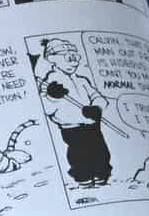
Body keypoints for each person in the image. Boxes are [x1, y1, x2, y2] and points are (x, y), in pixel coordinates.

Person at [34, 38, 112, 187]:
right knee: (79, 153)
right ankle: (83, 177)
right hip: (72, 127)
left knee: (101, 150)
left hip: (92, 124)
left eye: (76, 57)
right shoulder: (50, 83)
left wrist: (97, 107)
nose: (74, 62)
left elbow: (98, 96)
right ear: (53, 58)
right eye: (68, 58)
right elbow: (46, 109)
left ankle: (102, 174)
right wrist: (52, 96)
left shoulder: (82, 80)